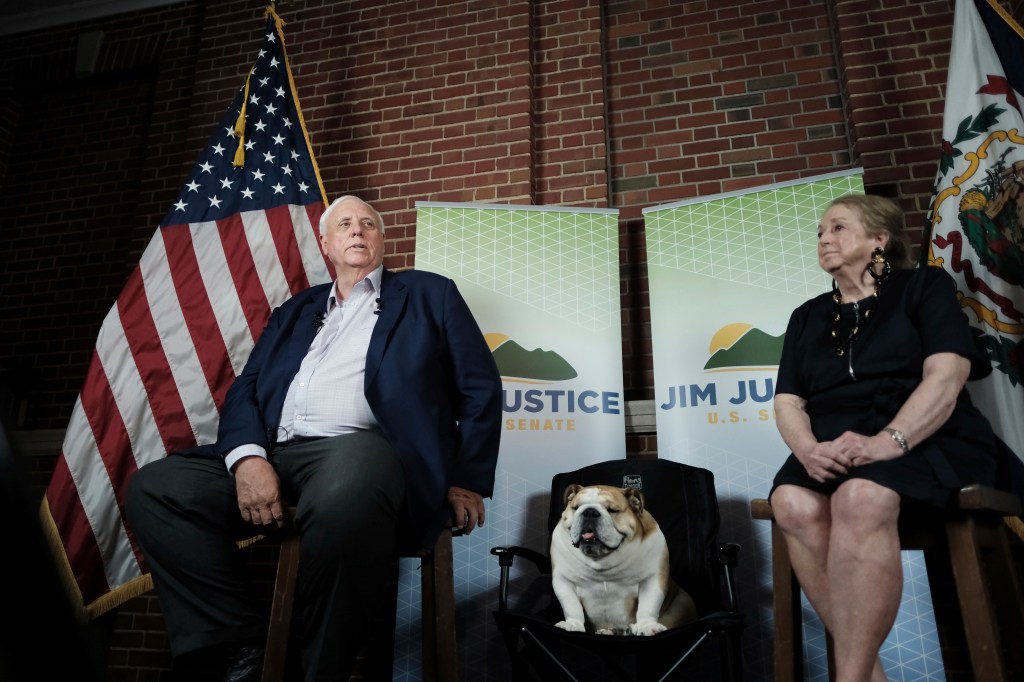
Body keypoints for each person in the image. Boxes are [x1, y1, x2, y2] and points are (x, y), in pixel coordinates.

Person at [125, 195, 502, 681]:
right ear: (326, 243)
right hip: (278, 452)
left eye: (368, 224)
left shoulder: (431, 295)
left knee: (349, 487)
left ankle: (319, 668)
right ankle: (239, 644)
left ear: (382, 240)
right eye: (345, 224)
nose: (358, 231)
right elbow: (246, 390)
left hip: (362, 449)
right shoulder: (295, 311)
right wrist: (247, 460)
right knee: (157, 489)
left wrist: (467, 477)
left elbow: (479, 387)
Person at [768, 194, 1023, 682]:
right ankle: (870, 674)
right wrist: (807, 450)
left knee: (861, 497)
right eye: (820, 230)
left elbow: (947, 374)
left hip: (924, 432)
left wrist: (890, 440)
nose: (824, 238)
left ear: (879, 240)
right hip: (830, 439)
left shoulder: (922, 287)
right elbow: (788, 403)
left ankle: (849, 677)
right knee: (792, 504)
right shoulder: (807, 315)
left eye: (839, 227)